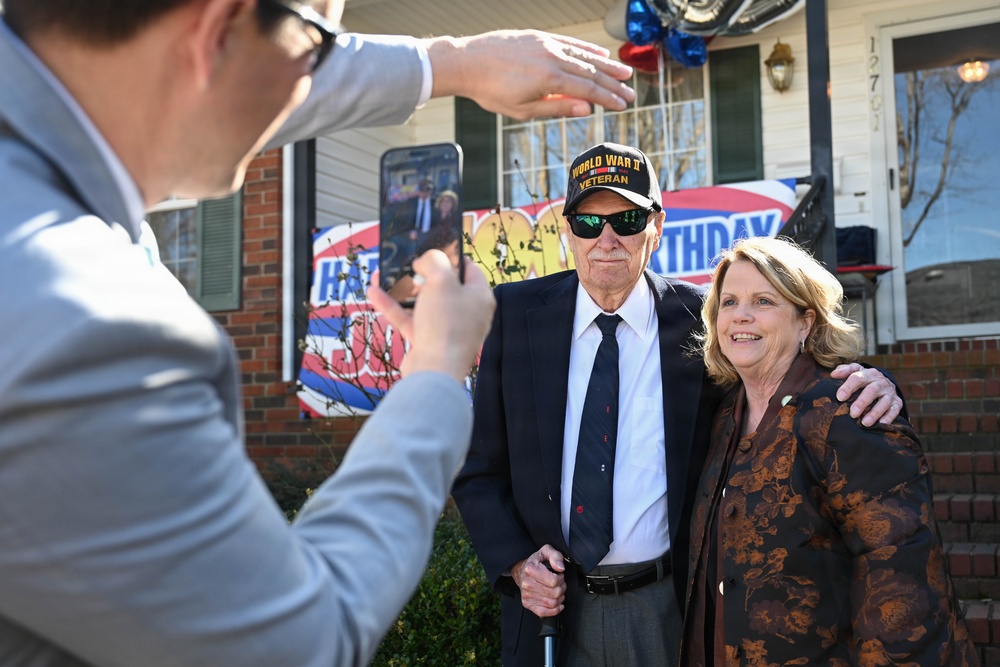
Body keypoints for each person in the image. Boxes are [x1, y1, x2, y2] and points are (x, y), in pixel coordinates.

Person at [0, 0, 644, 664]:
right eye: (317, 47)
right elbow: (296, 642)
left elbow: (215, 72)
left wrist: (454, 64)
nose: (307, 90)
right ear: (214, 30)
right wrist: (436, 370)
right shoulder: (84, 332)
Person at [451, 142, 905, 666]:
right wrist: (516, 563)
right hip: (549, 614)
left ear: (656, 226)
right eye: (587, 222)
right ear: (566, 230)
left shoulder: (703, 319)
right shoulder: (514, 314)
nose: (607, 239)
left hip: (668, 609)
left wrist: (872, 382)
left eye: (626, 218)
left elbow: (783, 364)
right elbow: (479, 468)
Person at [680, 235, 978, 666]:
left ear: (806, 321)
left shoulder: (849, 413)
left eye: (763, 301)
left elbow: (900, 581)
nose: (741, 316)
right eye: (729, 302)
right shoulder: (725, 415)